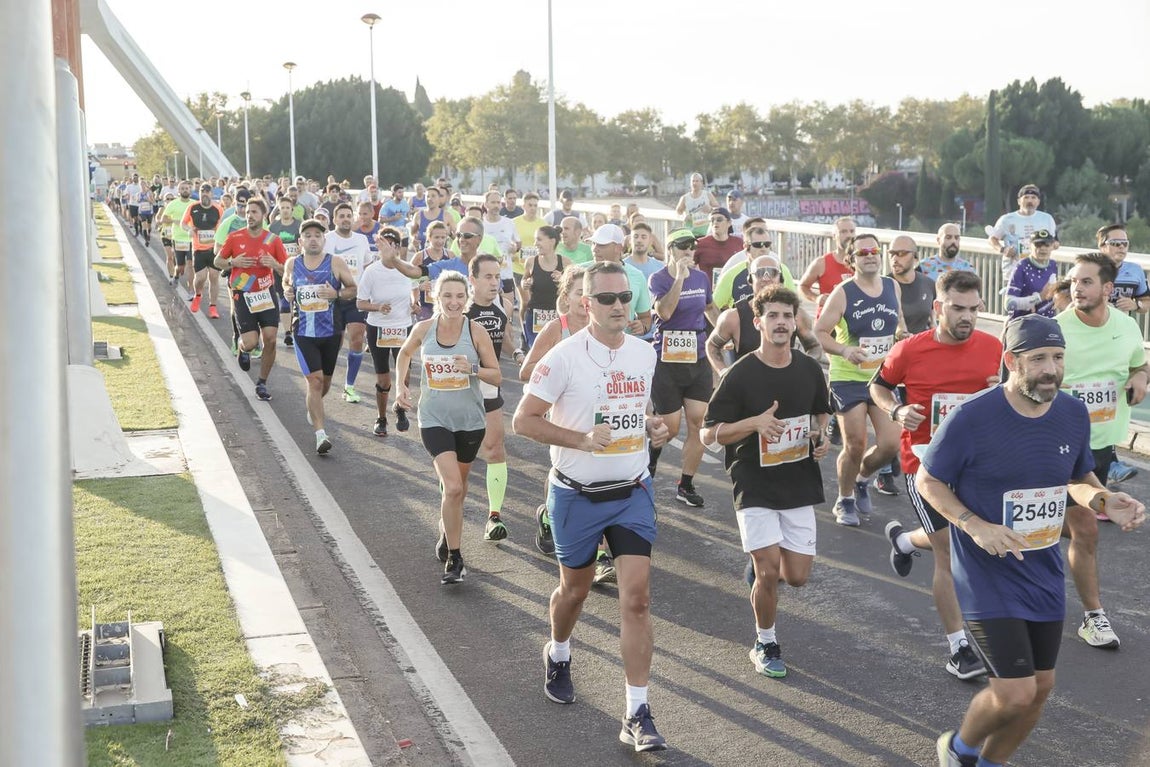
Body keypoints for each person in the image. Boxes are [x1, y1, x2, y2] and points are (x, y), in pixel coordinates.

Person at [920, 314, 1144, 767]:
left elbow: (1077, 478)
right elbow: (929, 480)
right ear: (1011, 362)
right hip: (986, 569)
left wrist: (1101, 498)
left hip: (1040, 567)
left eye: (1058, 357)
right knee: (1015, 689)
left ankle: (989, 762)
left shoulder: (1071, 412)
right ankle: (958, 748)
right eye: (1038, 358)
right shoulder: (973, 416)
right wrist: (973, 524)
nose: (1051, 369)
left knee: (1040, 689)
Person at [512, 261, 671, 753]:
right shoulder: (561, 358)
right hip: (575, 494)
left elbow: (645, 413)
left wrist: (657, 427)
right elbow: (523, 420)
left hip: (632, 491)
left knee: (637, 599)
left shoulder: (645, 354)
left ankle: (637, 712)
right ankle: (558, 651)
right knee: (573, 592)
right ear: (587, 304)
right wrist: (579, 438)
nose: (619, 306)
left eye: (625, 297)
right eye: (607, 299)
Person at [870, 270, 1002, 680]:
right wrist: (896, 411)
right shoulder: (910, 350)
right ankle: (959, 648)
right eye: (958, 309)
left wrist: (1004, 389)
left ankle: (904, 539)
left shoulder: (994, 348)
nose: (967, 317)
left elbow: (1013, 394)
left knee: (972, 539)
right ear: (938, 308)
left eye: (974, 309)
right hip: (925, 463)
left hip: (978, 464)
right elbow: (878, 386)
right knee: (950, 550)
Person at [701, 285, 832, 678]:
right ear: (757, 323)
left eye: (787, 316)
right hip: (753, 482)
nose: (780, 323)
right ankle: (766, 641)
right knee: (769, 572)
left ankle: (762, 569)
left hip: (797, 481)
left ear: (796, 323)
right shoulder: (740, 374)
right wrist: (753, 424)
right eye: (772, 316)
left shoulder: (808, 368)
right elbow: (709, 434)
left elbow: (822, 413)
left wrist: (820, 437)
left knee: (798, 577)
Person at [1055, 252, 1148, 648]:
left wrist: (1141, 377)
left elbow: (1137, 365)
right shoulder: (1055, 329)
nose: (1077, 287)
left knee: (1073, 526)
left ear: (1108, 289)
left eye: (1087, 281)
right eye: (1074, 281)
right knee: (1086, 528)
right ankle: (1095, 615)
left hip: (1100, 444)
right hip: (1056, 444)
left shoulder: (1127, 327)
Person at [394, 271, 501, 585]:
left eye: (458, 296)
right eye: (446, 296)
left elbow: (496, 376)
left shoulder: (476, 331)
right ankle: (456, 558)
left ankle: (446, 530)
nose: (453, 302)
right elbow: (404, 353)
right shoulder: (424, 329)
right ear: (436, 298)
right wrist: (401, 386)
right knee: (453, 487)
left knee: (459, 488)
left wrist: (470, 368)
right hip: (434, 418)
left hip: (469, 421)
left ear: (466, 298)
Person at [813, 233, 905, 526]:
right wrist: (844, 349)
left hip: (883, 377)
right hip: (848, 377)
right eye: (863, 252)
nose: (870, 255)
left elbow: (897, 324)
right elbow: (819, 332)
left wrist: (904, 336)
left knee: (892, 444)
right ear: (852, 259)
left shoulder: (892, 286)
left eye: (874, 250)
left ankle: (862, 479)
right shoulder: (843, 292)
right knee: (855, 443)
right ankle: (845, 499)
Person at [646, 229, 719, 507]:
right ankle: (648, 468)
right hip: (667, 362)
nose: (689, 251)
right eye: (683, 246)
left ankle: (685, 484)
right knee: (669, 429)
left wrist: (723, 331)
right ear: (671, 249)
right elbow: (664, 312)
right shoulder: (659, 278)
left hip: (697, 359)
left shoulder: (702, 278)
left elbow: (710, 308)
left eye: (693, 246)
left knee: (698, 423)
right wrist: (679, 278)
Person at [282, 218, 359, 454]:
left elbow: (353, 289)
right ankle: (320, 434)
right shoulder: (292, 264)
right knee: (314, 382)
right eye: (308, 235)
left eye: (317, 235)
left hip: (331, 332)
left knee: (323, 383)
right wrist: (287, 291)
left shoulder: (335, 262)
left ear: (324, 239)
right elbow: (287, 286)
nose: (313, 239)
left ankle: (313, 406)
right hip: (303, 331)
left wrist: (335, 292)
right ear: (300, 240)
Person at [215, 197, 289, 401]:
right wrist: (233, 262)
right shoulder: (235, 237)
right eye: (247, 212)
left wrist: (274, 263)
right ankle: (242, 348)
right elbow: (217, 261)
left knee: (271, 339)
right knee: (251, 341)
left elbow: (286, 271)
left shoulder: (272, 240)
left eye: (254, 212)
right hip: (243, 294)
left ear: (263, 215)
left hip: (266, 294)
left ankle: (262, 383)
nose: (249, 216)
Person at [464, 253, 515, 543]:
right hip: (461, 390)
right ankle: (451, 515)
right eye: (488, 276)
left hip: (490, 387)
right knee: (462, 459)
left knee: (495, 449)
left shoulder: (503, 306)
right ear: (473, 280)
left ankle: (494, 516)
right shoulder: (461, 309)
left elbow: (503, 338)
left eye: (497, 276)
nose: (494, 282)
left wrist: (517, 353)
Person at [707, 255, 819, 376]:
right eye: (760, 273)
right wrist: (724, 372)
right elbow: (712, 345)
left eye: (772, 272)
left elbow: (814, 347)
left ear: (780, 278)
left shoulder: (796, 314)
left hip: (785, 384)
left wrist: (802, 369)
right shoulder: (734, 317)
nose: (766, 278)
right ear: (750, 280)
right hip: (747, 387)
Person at [356, 227, 413, 437]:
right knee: (384, 380)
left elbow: (413, 295)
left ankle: (400, 408)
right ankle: (381, 418)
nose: (387, 248)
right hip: (378, 329)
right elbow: (360, 303)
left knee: (405, 376)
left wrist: (414, 305)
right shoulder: (372, 271)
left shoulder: (407, 269)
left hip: (403, 327)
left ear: (397, 247)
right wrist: (377, 307)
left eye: (392, 244)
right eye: (383, 244)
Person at [325, 203, 374, 403]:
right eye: (341, 215)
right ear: (335, 219)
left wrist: (371, 292)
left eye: (348, 215)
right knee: (334, 344)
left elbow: (368, 266)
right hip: (334, 297)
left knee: (356, 339)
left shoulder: (361, 240)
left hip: (356, 298)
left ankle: (349, 386)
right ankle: (325, 381)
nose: (345, 219)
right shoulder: (327, 239)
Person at [713, 218, 797, 310]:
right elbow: (714, 306)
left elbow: (796, 304)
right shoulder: (732, 275)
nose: (763, 248)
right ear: (746, 247)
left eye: (767, 244)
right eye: (758, 245)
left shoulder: (782, 270)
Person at [988, 183, 1057, 289]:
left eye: (1033, 197)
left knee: (1040, 304)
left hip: (1040, 272)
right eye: (1026, 197)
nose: (1030, 201)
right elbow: (992, 239)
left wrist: (1049, 246)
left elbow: (1055, 242)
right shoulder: (1006, 219)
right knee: (1013, 304)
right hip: (1013, 272)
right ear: (1019, 201)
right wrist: (1003, 249)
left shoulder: (1047, 219)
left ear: (1038, 202)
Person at [519, 225, 567, 350]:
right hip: (535, 315)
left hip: (557, 316)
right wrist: (525, 283)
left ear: (552, 241)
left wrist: (563, 279)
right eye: (535, 240)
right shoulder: (531, 261)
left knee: (553, 350)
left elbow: (574, 287)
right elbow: (524, 279)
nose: (535, 243)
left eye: (539, 239)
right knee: (536, 350)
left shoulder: (566, 263)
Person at [182, 183, 225, 319]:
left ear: (212, 194)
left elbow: (223, 227)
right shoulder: (193, 207)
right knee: (200, 278)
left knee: (213, 276)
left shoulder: (218, 209)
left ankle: (213, 307)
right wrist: (189, 229)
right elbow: (183, 223)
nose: (205, 193)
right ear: (199, 193)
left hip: (213, 249)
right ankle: (198, 295)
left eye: (207, 191)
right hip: (198, 249)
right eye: (202, 191)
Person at [799, 217, 856, 314]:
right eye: (843, 232)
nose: (849, 235)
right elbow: (802, 286)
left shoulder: (862, 262)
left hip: (854, 319)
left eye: (852, 231)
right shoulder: (821, 263)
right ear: (834, 236)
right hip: (827, 322)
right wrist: (816, 298)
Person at [1005, 229, 1059, 319]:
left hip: (1048, 323)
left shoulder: (1053, 265)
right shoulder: (1021, 266)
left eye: (1047, 244)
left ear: (1052, 246)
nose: (1043, 248)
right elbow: (1009, 303)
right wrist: (1039, 298)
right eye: (1038, 245)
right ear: (1030, 246)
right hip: (1024, 323)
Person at [693, 208, 742, 287]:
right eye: (712, 220)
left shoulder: (739, 242)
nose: (715, 222)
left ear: (729, 223)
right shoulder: (700, 243)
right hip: (708, 292)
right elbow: (689, 266)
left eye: (719, 219)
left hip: (733, 290)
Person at [675, 172, 719, 236]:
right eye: (693, 181)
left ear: (701, 182)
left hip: (705, 232)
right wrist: (685, 217)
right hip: (690, 233)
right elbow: (678, 212)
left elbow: (719, 210)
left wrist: (711, 209)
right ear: (690, 183)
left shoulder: (707, 195)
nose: (694, 183)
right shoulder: (685, 198)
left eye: (697, 181)